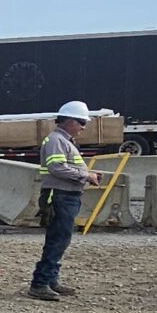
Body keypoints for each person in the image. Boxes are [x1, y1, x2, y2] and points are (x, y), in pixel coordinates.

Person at [29, 99, 104, 302]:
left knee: (61, 239)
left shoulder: (64, 141)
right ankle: (40, 284)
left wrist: (86, 174)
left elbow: (63, 167)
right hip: (60, 195)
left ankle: (51, 280)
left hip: (66, 195)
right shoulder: (56, 140)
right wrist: (85, 176)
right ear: (70, 121)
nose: (83, 127)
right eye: (81, 122)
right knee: (57, 240)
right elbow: (57, 168)